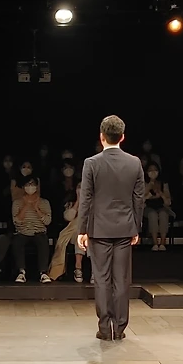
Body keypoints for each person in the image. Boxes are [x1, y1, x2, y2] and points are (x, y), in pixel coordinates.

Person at [77, 115, 144, 340]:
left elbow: (85, 199)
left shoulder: (91, 163)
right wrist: (136, 227)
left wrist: (82, 230)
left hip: (99, 229)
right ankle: (120, 328)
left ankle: (105, 328)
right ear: (122, 137)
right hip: (125, 228)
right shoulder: (134, 162)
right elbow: (139, 199)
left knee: (102, 279)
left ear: (101, 137)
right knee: (121, 279)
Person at [10, 176, 51, 283]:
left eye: (32, 184)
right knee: (17, 241)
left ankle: (43, 273)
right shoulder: (17, 203)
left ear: (37, 187)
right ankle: (21, 272)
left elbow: (47, 221)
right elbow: (16, 221)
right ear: (23, 187)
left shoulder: (44, 202)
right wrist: (26, 206)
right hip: (22, 232)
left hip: (39, 232)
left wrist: (36, 208)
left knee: (42, 241)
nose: (30, 187)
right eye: (27, 185)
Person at [45, 178, 84, 283]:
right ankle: (78, 268)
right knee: (79, 236)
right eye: (79, 187)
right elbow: (68, 217)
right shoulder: (70, 203)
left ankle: (91, 271)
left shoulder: (94, 204)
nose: (81, 189)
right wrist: (78, 201)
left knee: (84, 236)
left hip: (89, 232)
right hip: (72, 233)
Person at [142, 163, 173, 251]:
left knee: (163, 214)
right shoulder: (143, 183)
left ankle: (162, 243)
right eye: (150, 170)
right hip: (148, 207)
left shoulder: (163, 183)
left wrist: (161, 194)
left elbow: (168, 201)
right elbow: (141, 198)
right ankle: (155, 243)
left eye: (155, 170)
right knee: (152, 215)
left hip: (161, 206)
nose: (153, 172)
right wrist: (150, 186)